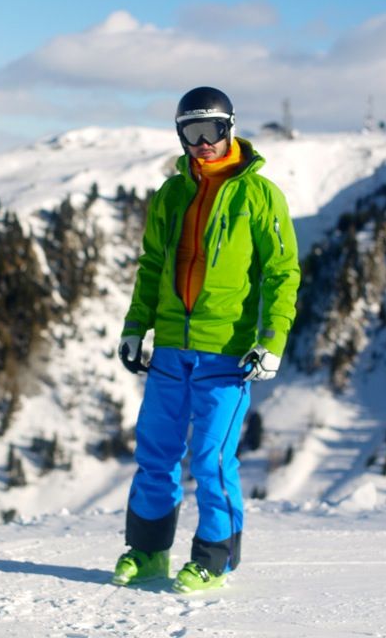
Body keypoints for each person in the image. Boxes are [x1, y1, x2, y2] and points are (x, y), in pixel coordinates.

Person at [113, 86, 300, 593]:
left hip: (227, 353)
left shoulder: (260, 196)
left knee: (212, 461)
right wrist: (135, 327)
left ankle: (214, 561)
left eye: (212, 129)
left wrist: (272, 340)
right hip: (171, 347)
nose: (203, 142)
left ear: (229, 128)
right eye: (192, 131)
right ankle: (148, 552)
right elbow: (153, 265)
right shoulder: (171, 194)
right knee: (156, 454)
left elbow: (282, 273)